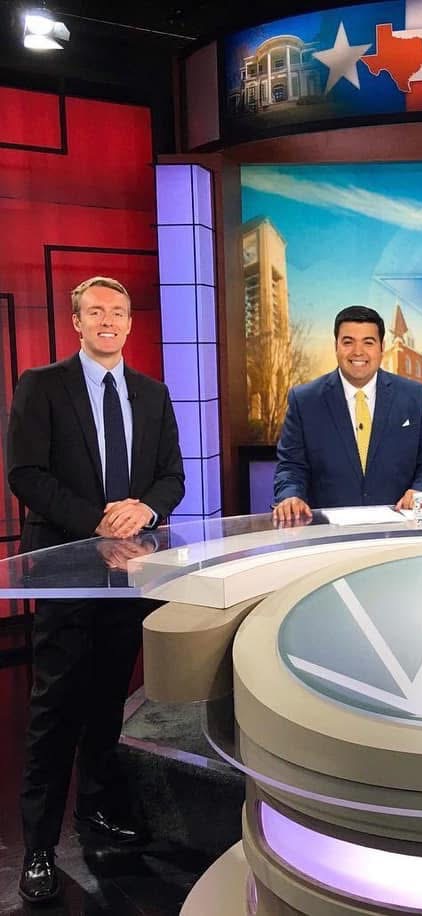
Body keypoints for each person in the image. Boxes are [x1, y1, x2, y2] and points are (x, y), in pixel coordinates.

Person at [6, 276, 185, 902]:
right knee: (56, 709)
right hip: (64, 574)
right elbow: (24, 473)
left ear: (130, 324)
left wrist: (144, 512)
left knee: (110, 698)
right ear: (77, 322)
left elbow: (172, 479)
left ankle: (98, 811)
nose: (107, 320)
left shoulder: (152, 393)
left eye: (117, 311)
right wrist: (96, 520)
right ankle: (38, 847)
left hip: (129, 572)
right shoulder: (43, 385)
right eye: (94, 312)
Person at [272, 305, 422, 521]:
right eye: (348, 342)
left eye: (368, 342)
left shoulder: (414, 396)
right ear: (336, 346)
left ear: (381, 347)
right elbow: (291, 465)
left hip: (400, 530)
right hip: (328, 536)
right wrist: (291, 496)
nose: (358, 352)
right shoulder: (305, 400)